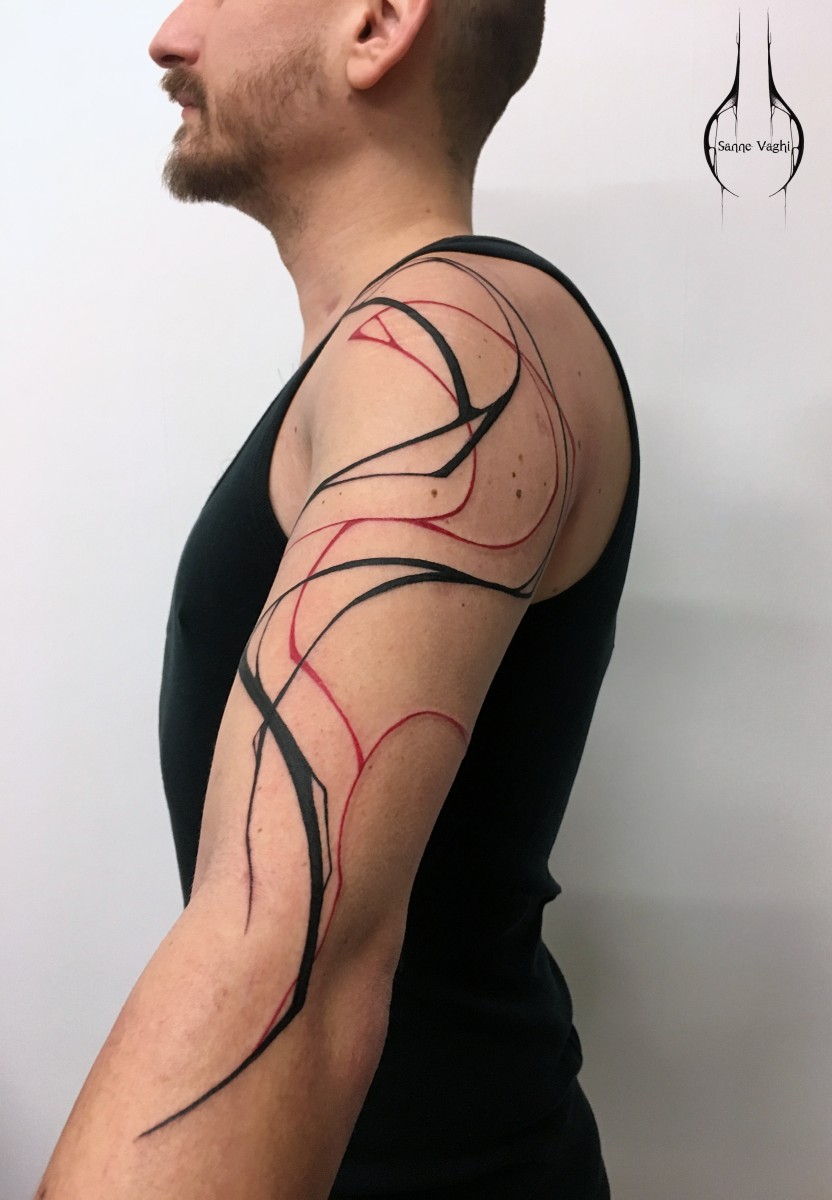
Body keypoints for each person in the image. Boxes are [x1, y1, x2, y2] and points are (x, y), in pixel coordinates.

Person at [37, 1, 638, 1197]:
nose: (169, 35)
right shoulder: (399, 349)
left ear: (376, 22)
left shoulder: (446, 338)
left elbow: (283, 956)